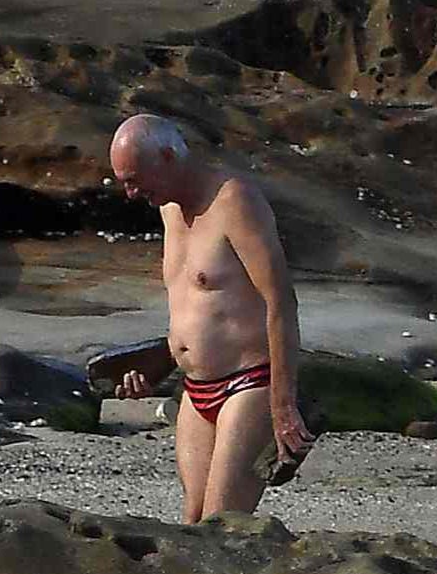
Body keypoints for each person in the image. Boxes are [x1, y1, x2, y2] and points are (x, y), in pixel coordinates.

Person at [100, 114, 311, 520]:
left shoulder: (234, 201)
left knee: (221, 526)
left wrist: (283, 405)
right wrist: (157, 366)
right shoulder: (168, 210)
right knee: (192, 524)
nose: (129, 193)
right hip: (195, 389)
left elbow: (281, 300)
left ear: (167, 156)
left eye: (133, 179)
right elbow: (196, 306)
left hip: (248, 383)